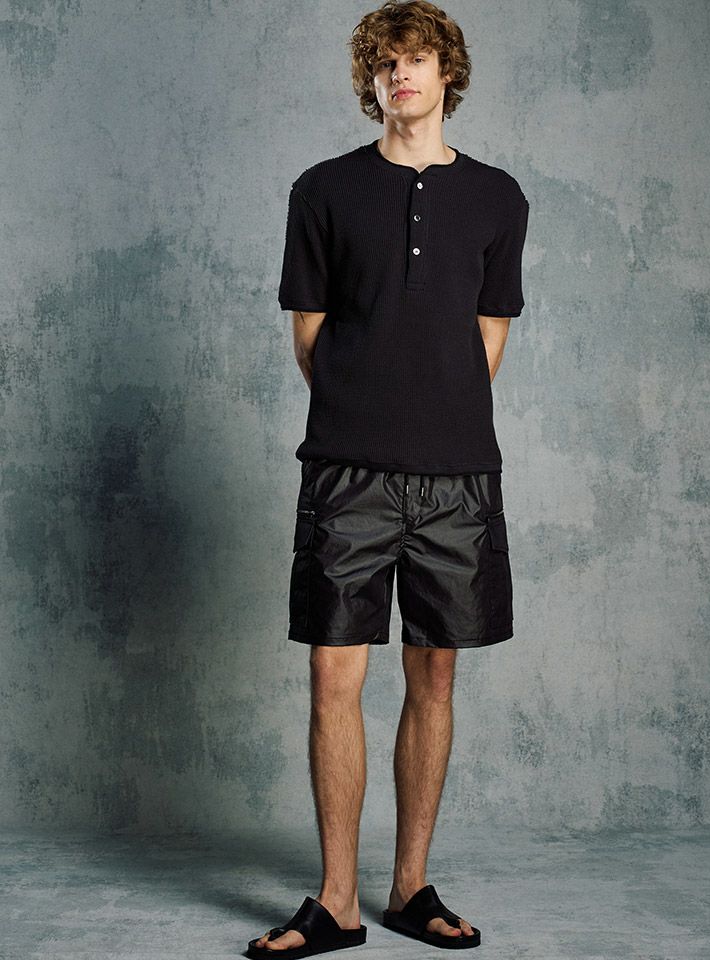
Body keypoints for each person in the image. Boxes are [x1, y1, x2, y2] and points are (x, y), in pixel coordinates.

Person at [247, 1, 528, 956]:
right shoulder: (323, 190)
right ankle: (337, 903)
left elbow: (488, 336)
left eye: (416, 59)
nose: (399, 75)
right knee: (333, 672)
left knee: (435, 675)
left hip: (457, 477)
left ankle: (410, 887)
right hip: (345, 472)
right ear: (370, 80)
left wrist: (434, 413)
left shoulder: (498, 198)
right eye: (384, 62)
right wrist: (368, 411)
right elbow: (310, 336)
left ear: (448, 72)